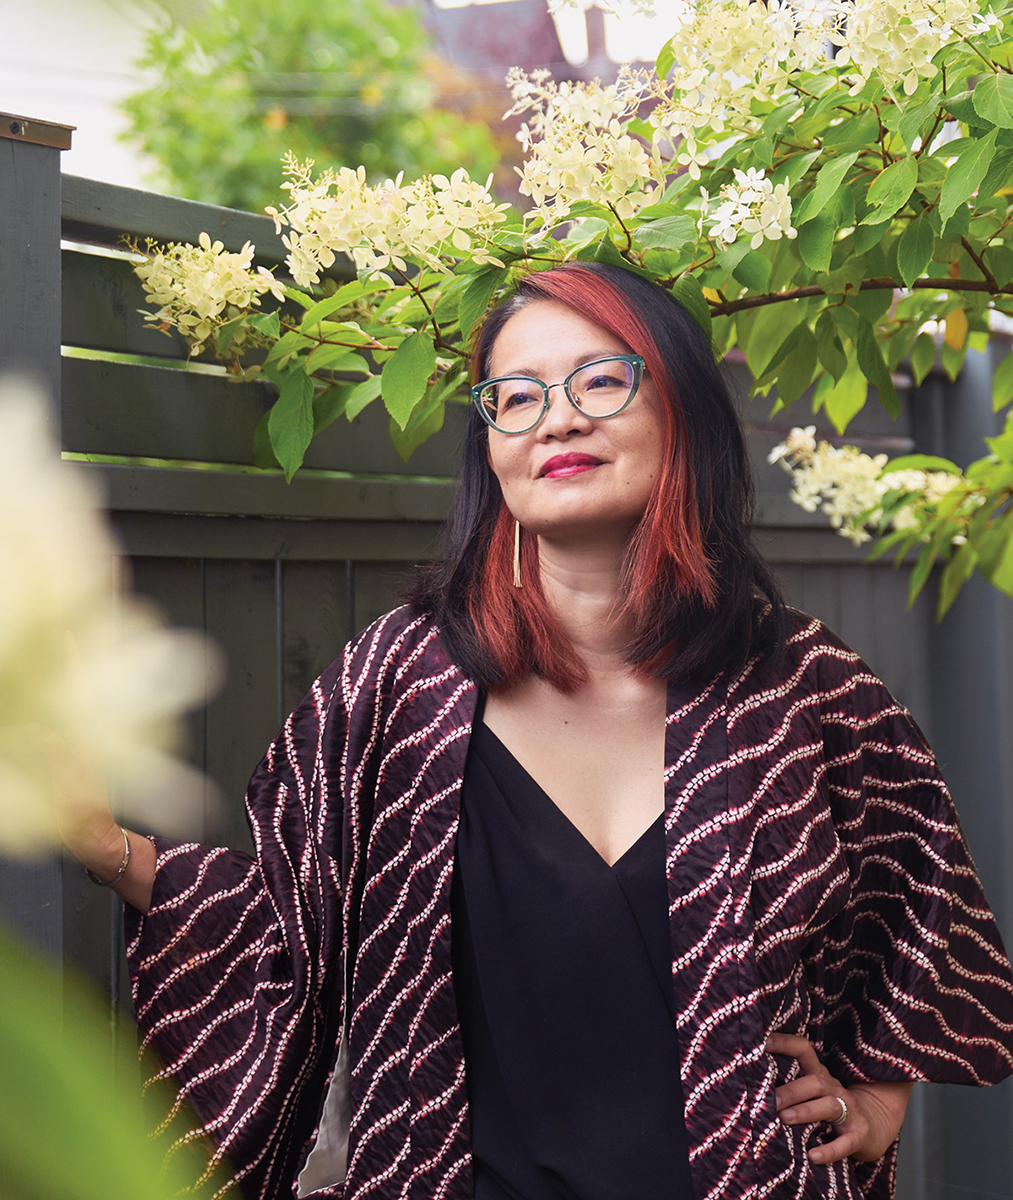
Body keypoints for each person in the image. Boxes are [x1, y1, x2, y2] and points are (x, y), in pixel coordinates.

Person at [65, 262, 1013, 1200]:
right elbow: (284, 926)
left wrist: (876, 1102)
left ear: (680, 410)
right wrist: (108, 850)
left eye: (600, 380)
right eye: (514, 397)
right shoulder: (398, 683)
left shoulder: (801, 685)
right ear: (491, 449)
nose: (556, 418)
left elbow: (920, 906)